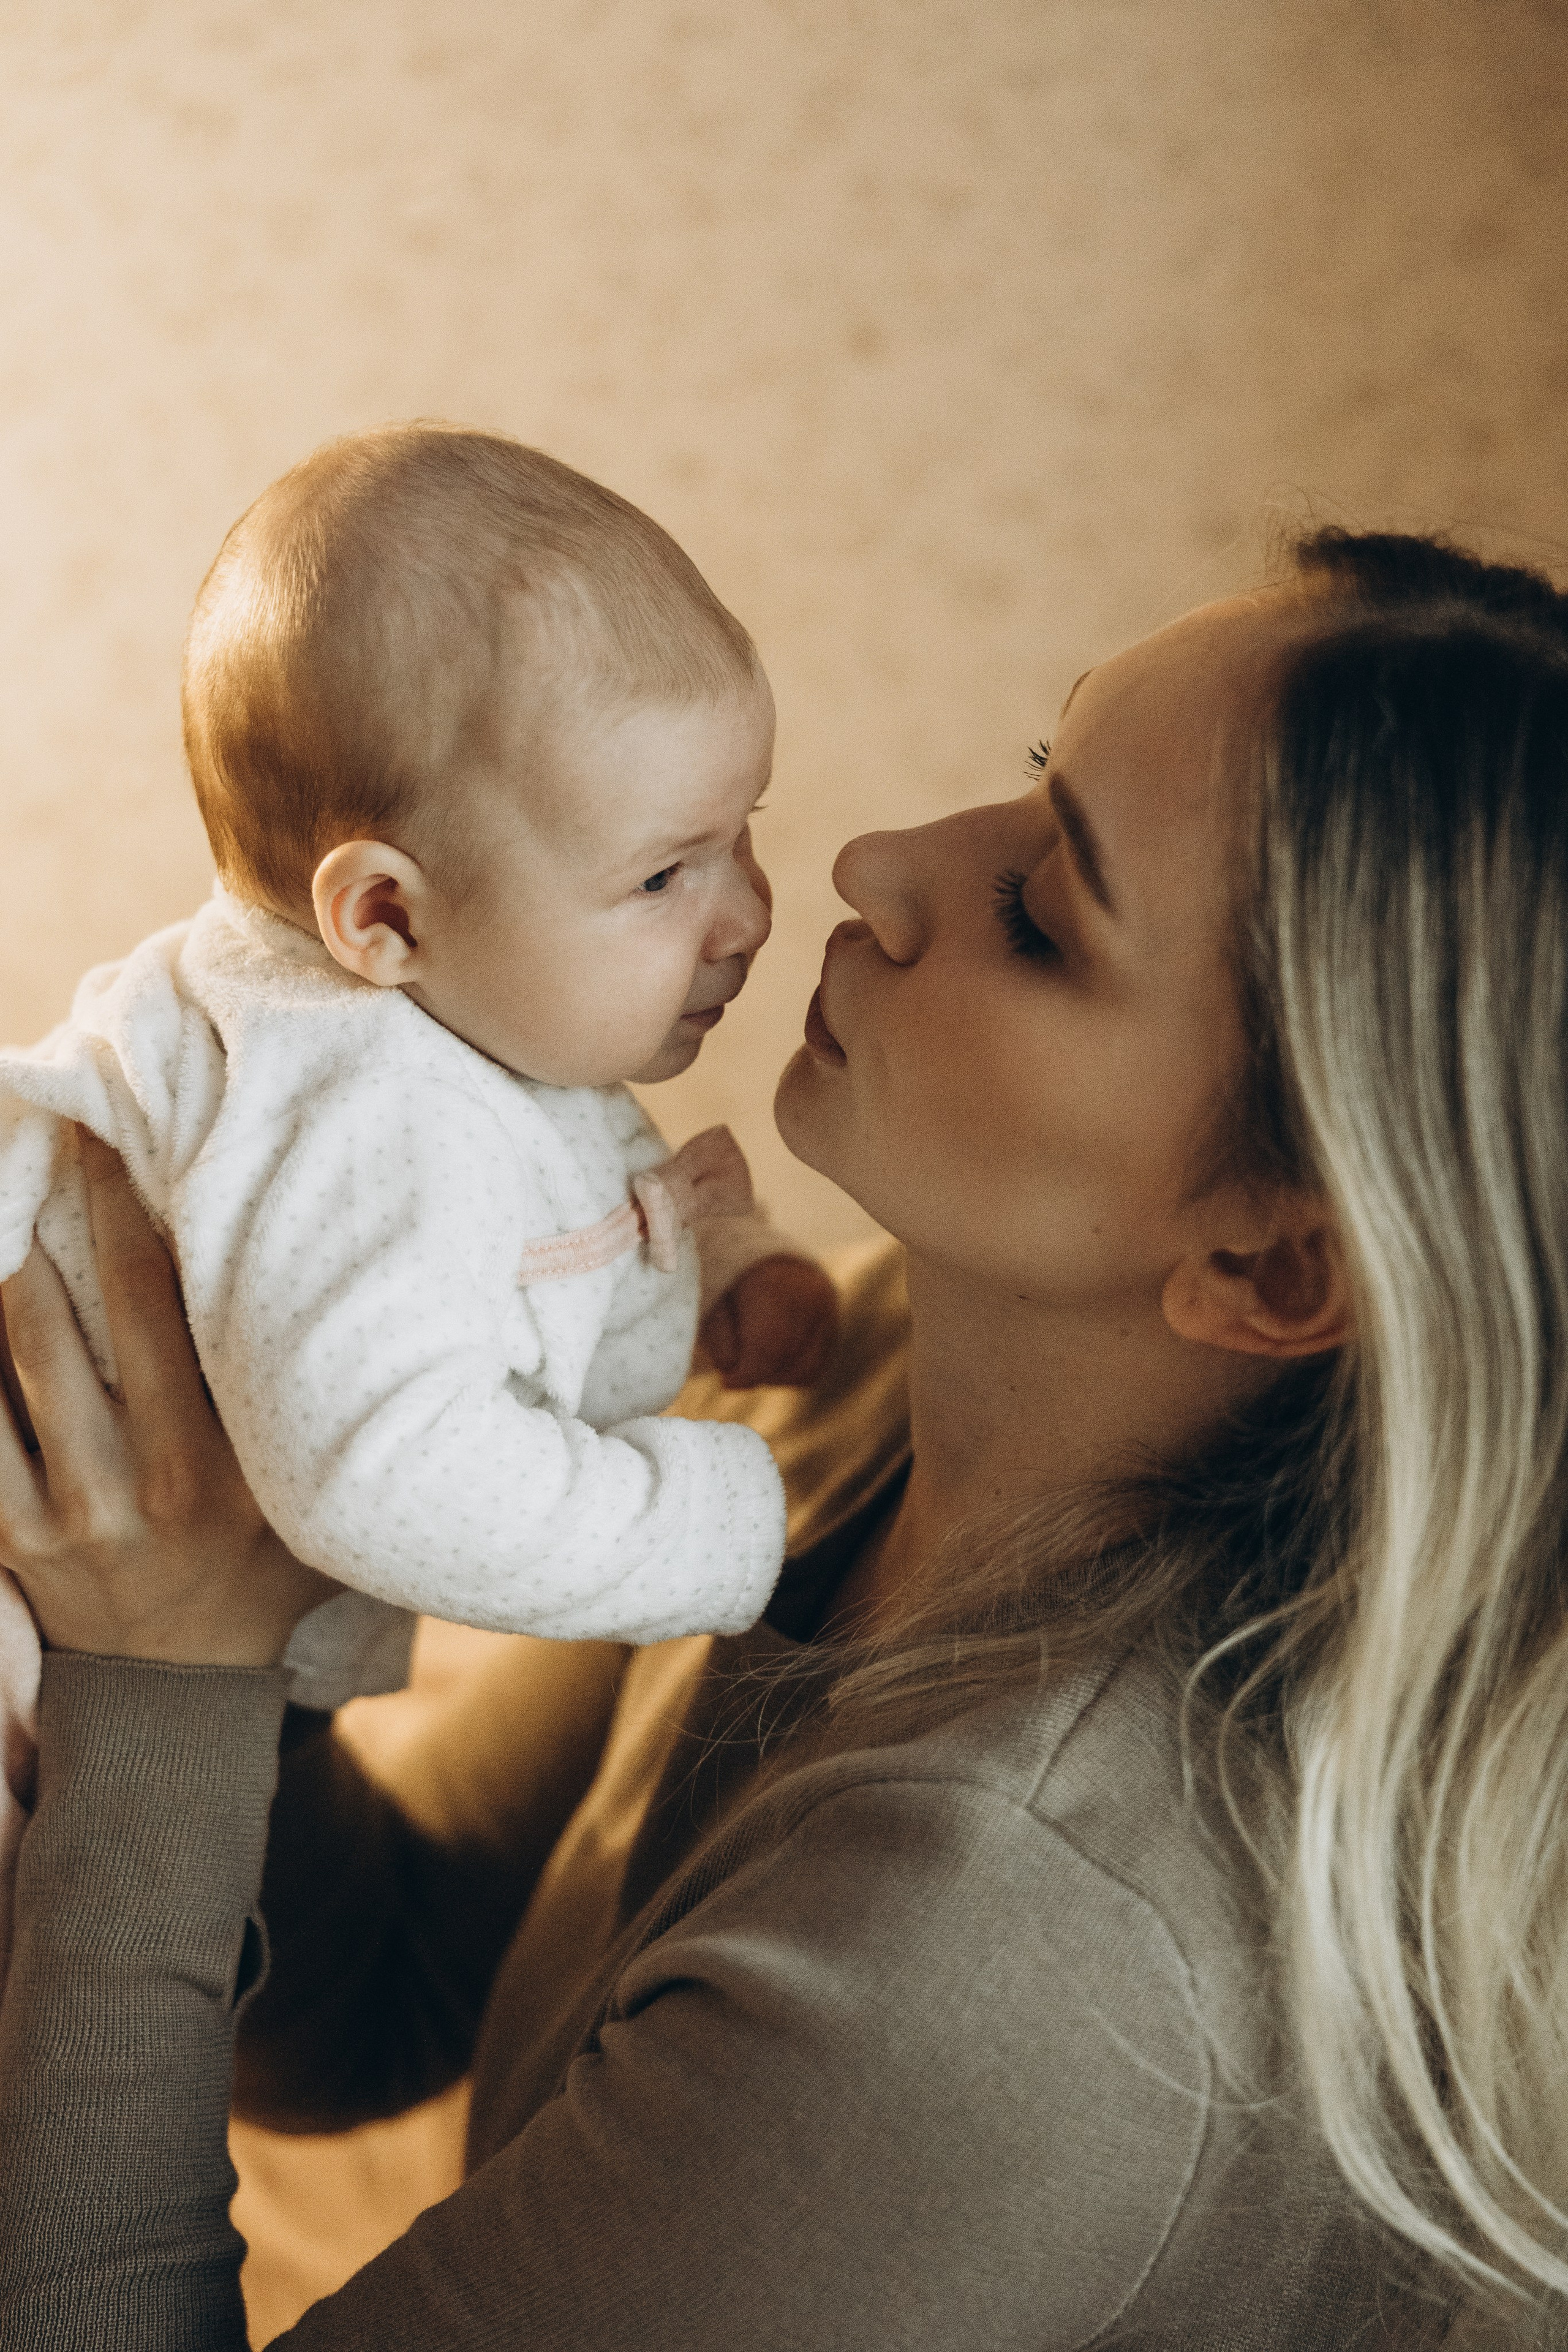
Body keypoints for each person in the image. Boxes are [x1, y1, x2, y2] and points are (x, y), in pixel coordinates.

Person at [1, 526, 1566, 2348]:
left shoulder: (1013, 1957)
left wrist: (167, 1680)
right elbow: (389, 1997)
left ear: (1273, 1255)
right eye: (1038, 777)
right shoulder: (859, 1380)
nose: (876, 864)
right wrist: (216, 1515)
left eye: (1045, 917)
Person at [0, 426, 837, 1761]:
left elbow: (564, 1197)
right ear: (383, 915)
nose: (747, 912)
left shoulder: (444, 1025)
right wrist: (710, 1527)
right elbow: (381, 1474)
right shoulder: (371, 1113)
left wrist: (720, 1270)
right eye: (663, 875)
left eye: (742, 832)